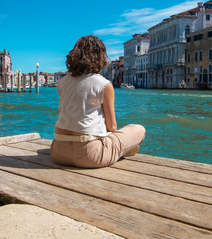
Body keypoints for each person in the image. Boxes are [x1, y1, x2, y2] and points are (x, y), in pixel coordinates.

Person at [50, 35, 146, 168]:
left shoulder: (62, 82)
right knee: (138, 129)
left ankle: (119, 150)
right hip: (90, 156)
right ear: (100, 57)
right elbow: (112, 127)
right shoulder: (104, 84)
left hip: (58, 152)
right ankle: (121, 150)